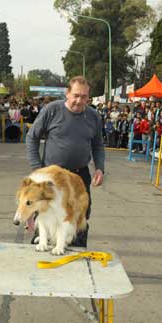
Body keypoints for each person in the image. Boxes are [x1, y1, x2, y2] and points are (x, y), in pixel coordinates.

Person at [26, 75, 104, 248]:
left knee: (80, 214)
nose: (79, 100)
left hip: (80, 176)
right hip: (52, 176)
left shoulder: (93, 116)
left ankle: (77, 253)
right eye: (76, 95)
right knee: (46, 213)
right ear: (67, 93)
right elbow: (32, 138)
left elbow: (98, 145)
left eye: (84, 96)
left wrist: (99, 168)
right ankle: (41, 249)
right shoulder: (51, 110)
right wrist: (38, 170)